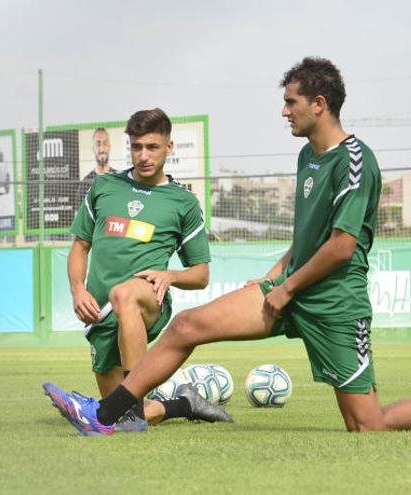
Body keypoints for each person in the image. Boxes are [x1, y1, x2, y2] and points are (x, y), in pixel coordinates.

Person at [57, 57, 411, 434]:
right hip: (288, 290)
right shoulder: (308, 156)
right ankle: (106, 415)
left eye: (292, 102)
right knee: (186, 326)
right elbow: (306, 239)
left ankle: (117, 412)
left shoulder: (356, 162)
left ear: (319, 104)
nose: (284, 111)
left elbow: (341, 246)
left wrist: (288, 286)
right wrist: (271, 279)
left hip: (334, 302)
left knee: (366, 425)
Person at [44, 108, 231, 436]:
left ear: (169, 148)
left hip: (148, 302)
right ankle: (184, 404)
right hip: (100, 315)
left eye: (153, 147)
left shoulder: (183, 202)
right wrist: (77, 289)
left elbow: (201, 274)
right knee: (122, 417)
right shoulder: (103, 187)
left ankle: (126, 409)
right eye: (136, 147)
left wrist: (170, 276)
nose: (143, 156)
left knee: (124, 293)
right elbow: (79, 247)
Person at [75, 127, 118, 207]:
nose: (101, 149)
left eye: (105, 143)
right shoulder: (85, 183)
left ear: (109, 147)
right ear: (93, 148)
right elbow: (80, 215)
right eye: (98, 144)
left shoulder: (118, 179)